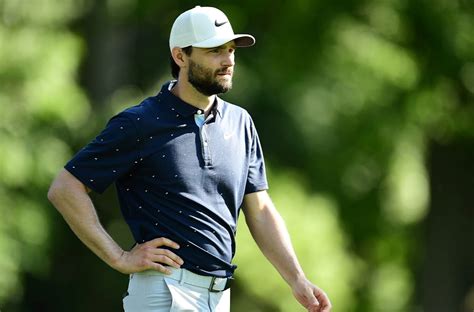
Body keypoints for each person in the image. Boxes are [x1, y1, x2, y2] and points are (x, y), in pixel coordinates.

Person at [47, 5, 332, 312]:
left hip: (219, 296)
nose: (228, 61)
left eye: (231, 50)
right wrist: (119, 256)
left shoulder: (240, 122)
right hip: (164, 292)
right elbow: (65, 188)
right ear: (181, 56)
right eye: (214, 51)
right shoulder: (140, 122)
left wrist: (297, 279)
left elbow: (260, 209)